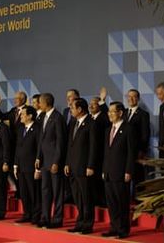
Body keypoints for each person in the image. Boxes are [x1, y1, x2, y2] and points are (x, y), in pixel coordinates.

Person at [101, 102, 135, 239]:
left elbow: (131, 153)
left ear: (120, 113)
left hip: (121, 172)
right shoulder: (108, 130)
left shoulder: (128, 129)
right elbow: (106, 152)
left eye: (112, 112)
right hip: (109, 172)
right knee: (111, 203)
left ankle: (123, 229)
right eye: (108, 112)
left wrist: (128, 171)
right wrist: (104, 169)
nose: (109, 114)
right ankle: (114, 227)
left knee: (122, 202)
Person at [35, 93, 66, 228]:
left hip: (54, 162)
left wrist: (56, 162)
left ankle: (57, 218)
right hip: (44, 161)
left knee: (57, 191)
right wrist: (38, 157)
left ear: (46, 102)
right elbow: (41, 140)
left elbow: (60, 142)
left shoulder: (58, 117)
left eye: (39, 102)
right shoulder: (43, 117)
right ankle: (45, 217)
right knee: (45, 190)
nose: (38, 104)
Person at [64, 98, 95, 234]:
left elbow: (94, 147)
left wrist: (90, 165)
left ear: (80, 109)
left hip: (84, 168)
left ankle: (87, 224)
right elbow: (70, 146)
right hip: (73, 167)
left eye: (72, 108)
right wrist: (67, 163)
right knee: (77, 197)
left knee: (86, 197)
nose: (70, 111)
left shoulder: (91, 124)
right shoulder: (73, 123)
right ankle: (80, 222)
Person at [14, 106, 42, 224]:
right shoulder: (20, 129)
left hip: (32, 167)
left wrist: (38, 168)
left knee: (33, 192)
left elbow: (39, 149)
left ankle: (36, 215)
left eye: (23, 114)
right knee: (24, 192)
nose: (21, 116)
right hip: (21, 166)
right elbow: (17, 147)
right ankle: (27, 213)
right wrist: (15, 164)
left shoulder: (37, 129)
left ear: (30, 116)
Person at [124, 89, 150, 190]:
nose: (130, 99)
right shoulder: (123, 113)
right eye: (129, 96)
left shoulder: (143, 114)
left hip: (136, 152)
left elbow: (145, 134)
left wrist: (142, 151)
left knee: (138, 179)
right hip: (124, 152)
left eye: (133, 96)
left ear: (138, 99)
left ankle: (139, 202)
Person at [88, 96, 110, 207]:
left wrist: (102, 102)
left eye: (94, 104)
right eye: (89, 104)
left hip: (101, 153)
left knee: (100, 180)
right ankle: (95, 199)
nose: (91, 106)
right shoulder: (88, 118)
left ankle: (103, 201)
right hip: (90, 155)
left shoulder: (104, 117)